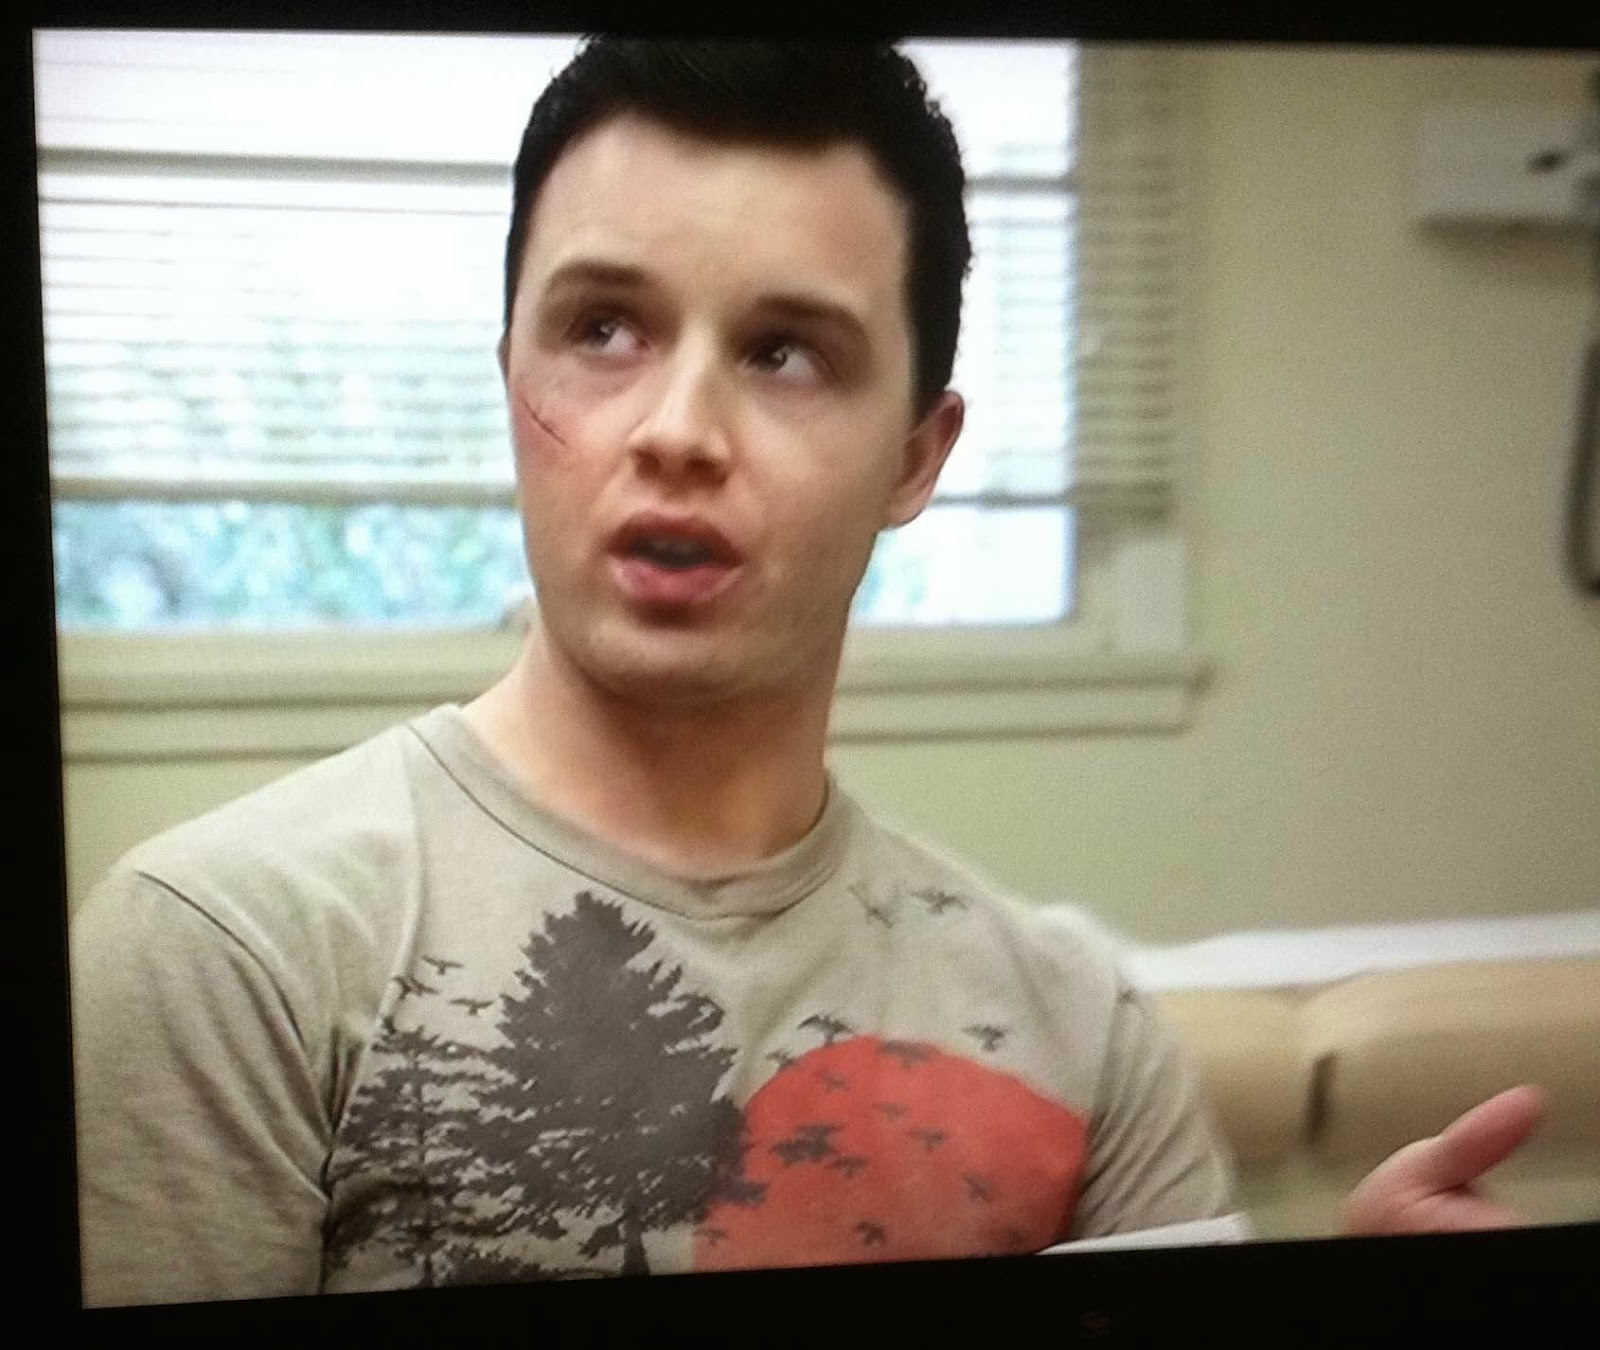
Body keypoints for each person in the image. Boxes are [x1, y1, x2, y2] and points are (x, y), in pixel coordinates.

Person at [68, 38, 1547, 1307]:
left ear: (917, 456)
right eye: (602, 329)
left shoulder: (1076, 1029)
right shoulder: (224, 952)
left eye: (785, 353)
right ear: (508, 371)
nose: (678, 431)